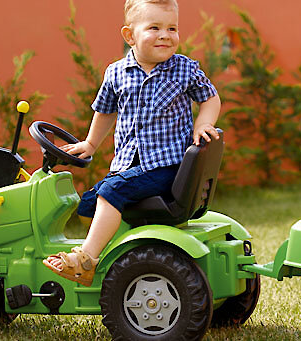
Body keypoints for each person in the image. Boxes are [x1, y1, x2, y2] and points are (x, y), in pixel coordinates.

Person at [42, 0, 221, 286]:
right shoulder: (116, 72)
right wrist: (89, 144)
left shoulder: (184, 69)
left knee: (112, 191)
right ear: (130, 35)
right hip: (129, 166)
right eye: (154, 27)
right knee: (88, 203)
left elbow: (210, 97)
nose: (165, 35)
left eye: (172, 28)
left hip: (167, 167)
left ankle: (85, 260)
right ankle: (118, 255)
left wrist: (203, 124)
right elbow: (105, 111)